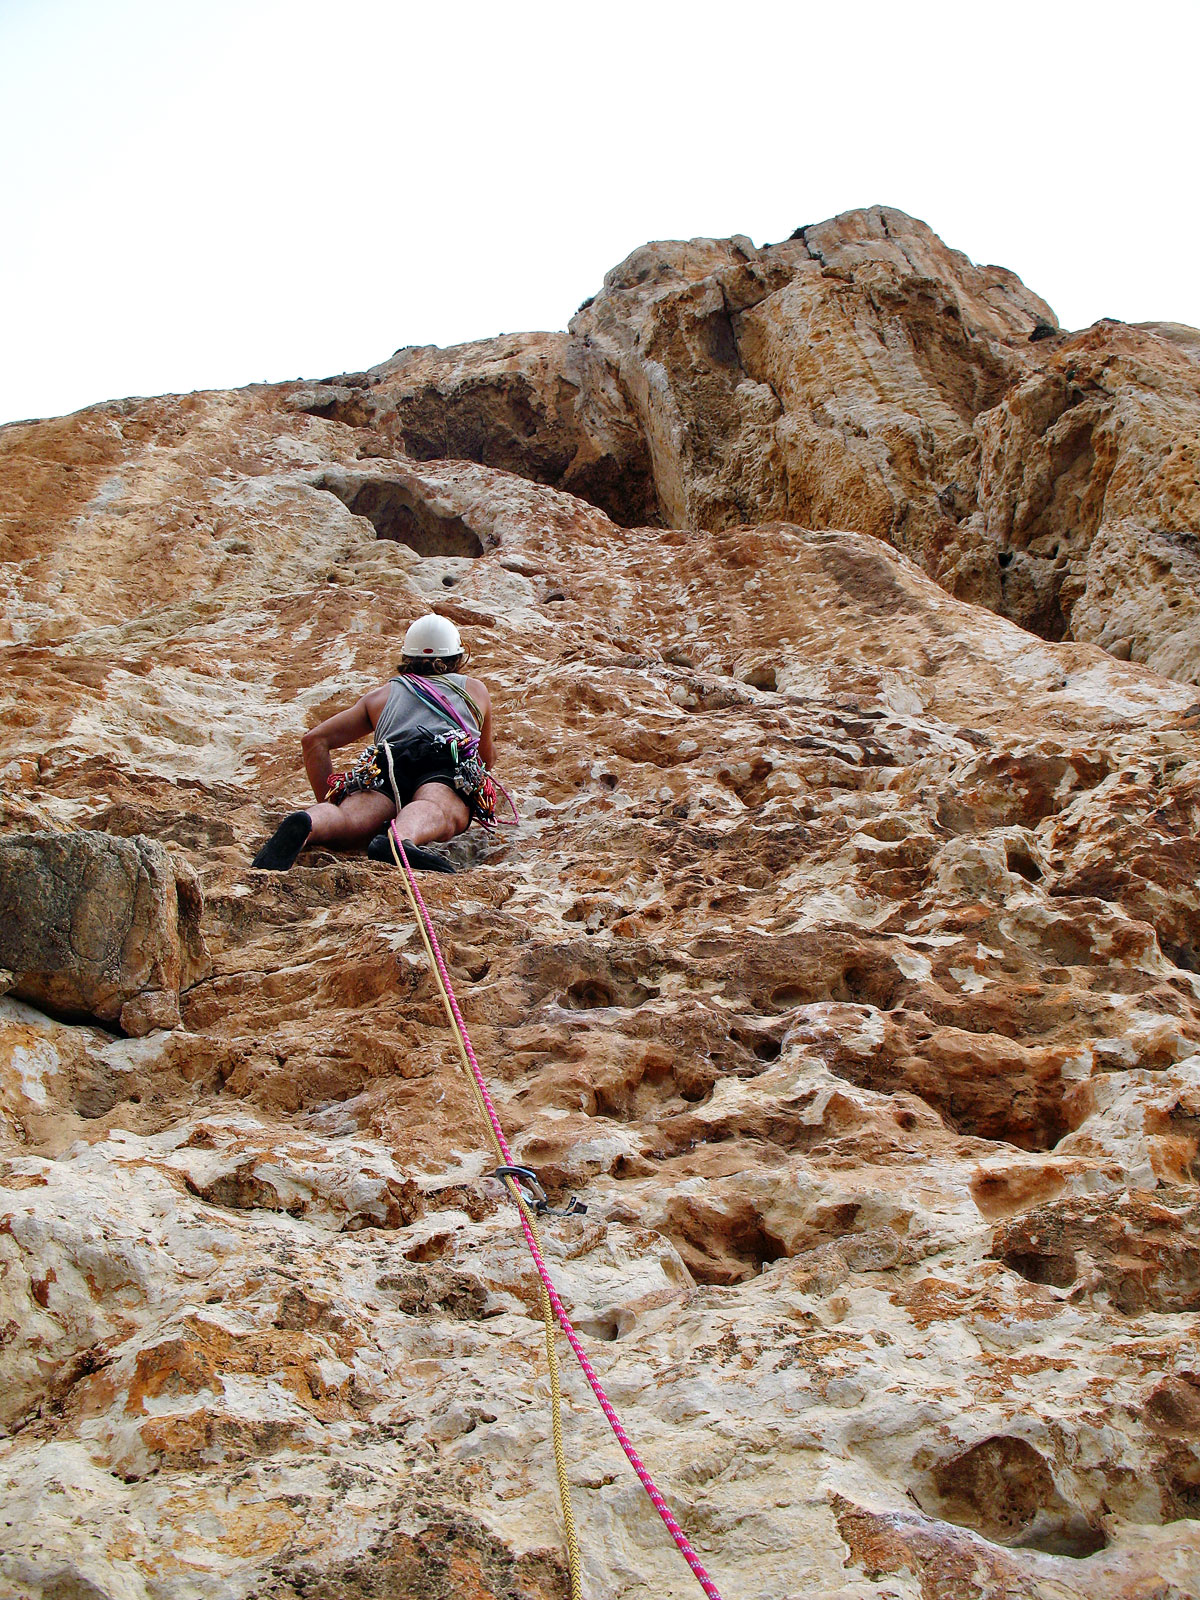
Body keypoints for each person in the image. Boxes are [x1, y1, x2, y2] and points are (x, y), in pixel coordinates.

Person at [252, 614, 495, 874]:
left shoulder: (381, 695)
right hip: (445, 760)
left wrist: (330, 802)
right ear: (457, 657)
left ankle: (310, 822)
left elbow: (314, 740)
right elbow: (485, 760)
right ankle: (399, 840)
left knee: (350, 821)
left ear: (407, 657)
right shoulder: (474, 689)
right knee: (437, 808)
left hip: (387, 763)